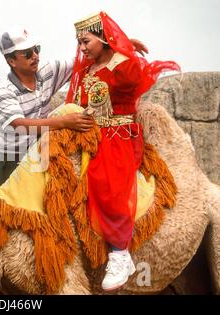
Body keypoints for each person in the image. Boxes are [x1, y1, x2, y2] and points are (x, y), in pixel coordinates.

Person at [66, 12, 180, 291]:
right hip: (89, 132)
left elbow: (128, 68)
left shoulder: (124, 66)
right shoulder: (86, 70)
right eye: (79, 42)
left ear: (104, 37)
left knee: (107, 181)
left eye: (86, 41)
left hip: (118, 137)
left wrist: (124, 43)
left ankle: (120, 252)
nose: (81, 48)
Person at [0, 27, 147, 194]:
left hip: (34, 152)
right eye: (27, 53)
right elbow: (19, 125)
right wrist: (63, 122)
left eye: (36, 49)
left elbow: (83, 61)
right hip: (6, 157)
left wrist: (116, 46)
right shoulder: (4, 90)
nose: (35, 56)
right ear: (12, 61)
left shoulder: (47, 71)